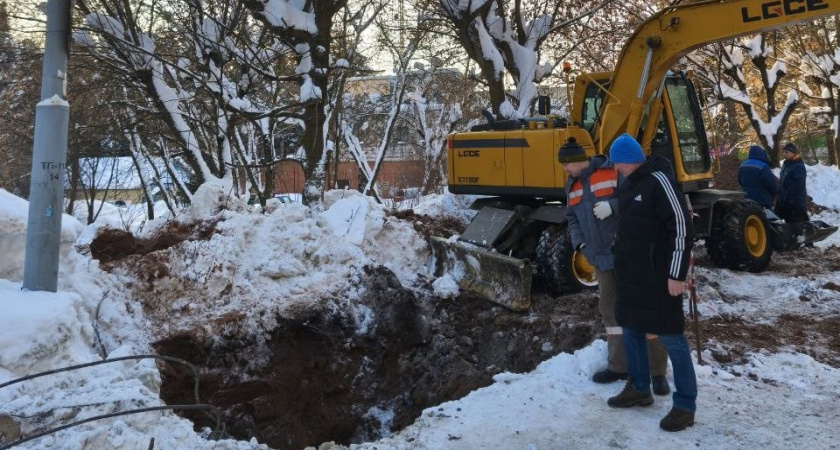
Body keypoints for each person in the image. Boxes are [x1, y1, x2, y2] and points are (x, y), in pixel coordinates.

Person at [557, 137, 670, 396]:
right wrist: (580, 244)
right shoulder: (572, 186)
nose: (564, 169)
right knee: (610, 311)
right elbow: (572, 218)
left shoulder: (611, 171)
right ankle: (618, 365)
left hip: (627, 253)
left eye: (566, 164)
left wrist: (613, 206)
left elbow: (638, 198)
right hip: (600, 258)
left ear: (577, 160)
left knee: (644, 308)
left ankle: (657, 372)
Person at [605, 133, 697, 432]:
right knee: (631, 330)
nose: (616, 168)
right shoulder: (631, 184)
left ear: (629, 158)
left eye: (618, 162)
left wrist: (676, 274)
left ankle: (685, 405)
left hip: (659, 279)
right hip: (634, 278)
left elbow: (681, 227)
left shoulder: (659, 181)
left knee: (672, 339)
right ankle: (639, 388)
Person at [776, 142, 809, 241]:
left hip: (796, 200)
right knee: (789, 221)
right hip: (785, 199)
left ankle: (807, 242)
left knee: (799, 222)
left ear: (793, 153)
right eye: (784, 152)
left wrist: (788, 194)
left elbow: (798, 183)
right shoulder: (786, 165)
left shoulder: (799, 166)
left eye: (787, 152)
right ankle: (792, 241)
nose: (785, 154)